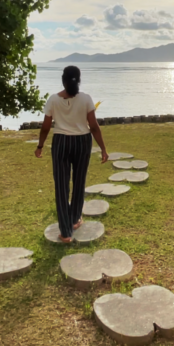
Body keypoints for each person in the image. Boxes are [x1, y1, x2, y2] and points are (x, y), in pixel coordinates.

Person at [35, 66, 108, 243]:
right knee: (79, 181)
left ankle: (66, 232)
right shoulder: (86, 99)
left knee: (61, 186)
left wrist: (40, 146)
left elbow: (46, 127)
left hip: (61, 143)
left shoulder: (53, 100)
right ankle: (75, 219)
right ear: (79, 79)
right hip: (82, 142)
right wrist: (103, 149)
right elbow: (94, 126)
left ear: (63, 80)